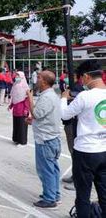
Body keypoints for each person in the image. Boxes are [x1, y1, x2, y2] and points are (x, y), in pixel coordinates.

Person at [60, 60, 106, 217]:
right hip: (104, 149)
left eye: (81, 78)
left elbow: (64, 115)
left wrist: (63, 99)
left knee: (83, 195)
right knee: (104, 192)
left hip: (86, 151)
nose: (81, 82)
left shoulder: (85, 96)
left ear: (87, 76)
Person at [26, 71, 62, 209]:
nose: (36, 79)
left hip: (45, 140)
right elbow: (45, 117)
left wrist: (29, 99)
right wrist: (33, 122)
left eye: (39, 77)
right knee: (52, 169)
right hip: (51, 138)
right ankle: (54, 194)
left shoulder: (47, 97)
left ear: (45, 82)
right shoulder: (52, 95)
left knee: (45, 170)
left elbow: (36, 113)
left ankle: (49, 198)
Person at [8, 71, 30, 146]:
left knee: (22, 126)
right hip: (16, 110)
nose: (16, 77)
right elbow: (14, 98)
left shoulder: (25, 87)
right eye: (16, 75)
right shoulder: (15, 85)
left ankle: (22, 141)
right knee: (16, 125)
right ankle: (16, 139)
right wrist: (10, 105)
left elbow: (27, 100)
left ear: (22, 77)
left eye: (18, 75)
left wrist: (26, 109)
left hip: (22, 110)